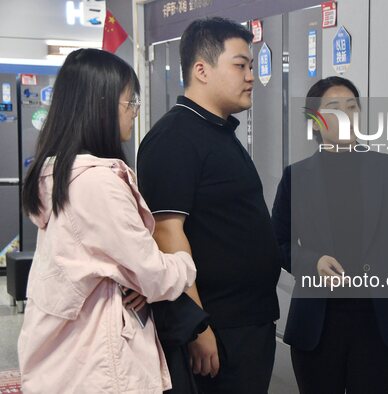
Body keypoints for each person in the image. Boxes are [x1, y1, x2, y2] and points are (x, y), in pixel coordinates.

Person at [17, 49, 207, 393]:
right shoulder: (96, 183)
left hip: (69, 360)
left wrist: (130, 279)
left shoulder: (60, 173)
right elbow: (152, 273)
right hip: (100, 366)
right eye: (129, 101)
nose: (134, 111)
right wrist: (184, 262)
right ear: (99, 105)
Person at [271, 76, 388, 394]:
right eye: (334, 107)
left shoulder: (386, 169)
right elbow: (276, 245)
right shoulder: (296, 177)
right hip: (318, 321)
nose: (346, 114)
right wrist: (312, 261)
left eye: (352, 106)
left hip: (376, 321)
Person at [137, 17, 281, 394]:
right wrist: (196, 325)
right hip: (217, 328)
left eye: (251, 66)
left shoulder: (218, 131)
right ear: (202, 69)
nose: (251, 76)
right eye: (240, 65)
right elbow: (167, 234)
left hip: (249, 321)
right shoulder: (173, 139)